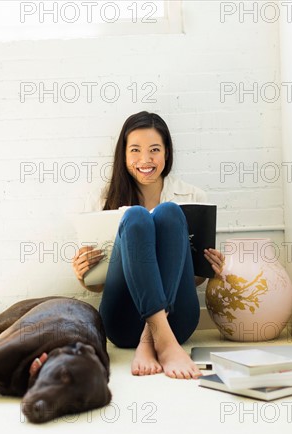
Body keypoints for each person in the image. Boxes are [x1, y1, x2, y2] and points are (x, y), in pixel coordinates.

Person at [72, 111, 225, 380]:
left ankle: (153, 336)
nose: (145, 160)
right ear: (124, 155)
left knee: (169, 212)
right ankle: (161, 342)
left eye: (155, 150)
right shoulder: (100, 201)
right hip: (123, 321)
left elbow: (194, 281)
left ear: (167, 153)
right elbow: (98, 285)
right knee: (136, 216)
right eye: (135, 150)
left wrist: (211, 268)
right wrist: (82, 274)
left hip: (177, 320)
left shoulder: (192, 197)